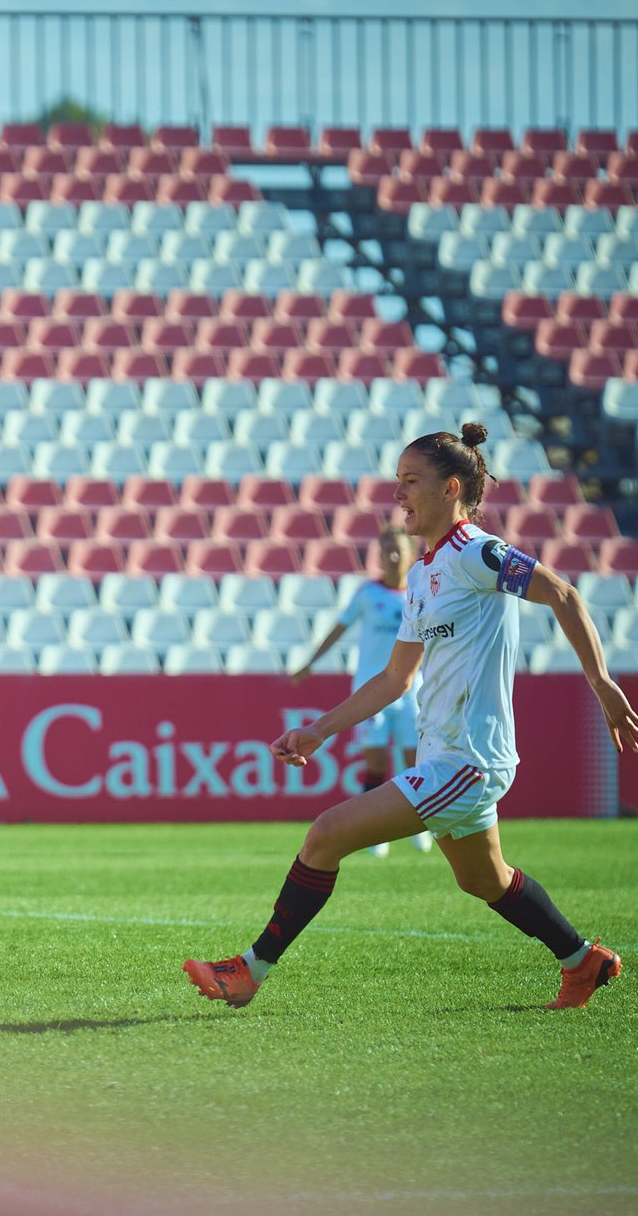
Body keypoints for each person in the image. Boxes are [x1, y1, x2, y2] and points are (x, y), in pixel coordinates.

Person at [184, 424, 637, 1010]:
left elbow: (564, 595)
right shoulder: (423, 576)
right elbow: (395, 678)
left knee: (326, 835)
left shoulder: (478, 553)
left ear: (451, 489)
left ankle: (248, 970)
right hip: (445, 755)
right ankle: (583, 961)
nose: (397, 494)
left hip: (469, 759)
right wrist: (320, 729)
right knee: (483, 879)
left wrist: (601, 683)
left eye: (409, 481)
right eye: (396, 482)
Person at [291, 524, 433, 856]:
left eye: (398, 550)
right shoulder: (367, 594)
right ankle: (376, 833)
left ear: (412, 554)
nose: (393, 556)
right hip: (371, 692)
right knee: (375, 764)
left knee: (417, 763)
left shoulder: (421, 594)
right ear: (380, 555)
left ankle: (418, 828)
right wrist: (311, 662)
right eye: (387, 551)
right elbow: (339, 629)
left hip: (412, 690)